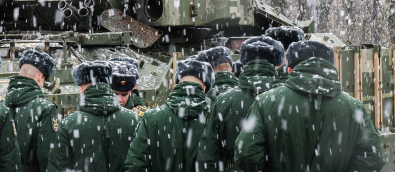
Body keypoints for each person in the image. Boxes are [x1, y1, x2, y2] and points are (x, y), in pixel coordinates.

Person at [234, 41, 386, 171]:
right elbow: (374, 157)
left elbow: (246, 154)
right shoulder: (354, 108)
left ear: (289, 70)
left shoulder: (265, 102)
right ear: (331, 67)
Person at [197, 36, 284, 172]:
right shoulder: (288, 99)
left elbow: (209, 156)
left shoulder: (223, 101)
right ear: (276, 65)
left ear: (243, 64)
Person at [47, 61, 138, 172]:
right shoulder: (134, 119)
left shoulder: (69, 124)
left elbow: (57, 168)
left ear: (81, 89)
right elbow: (142, 163)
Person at [125, 59, 214, 172]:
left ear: (176, 83)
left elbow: (135, 165)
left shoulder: (151, 118)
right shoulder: (215, 117)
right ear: (205, 88)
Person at [5, 49, 57, 172]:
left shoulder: (0, 107)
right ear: (40, 77)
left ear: (19, 75)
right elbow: (47, 156)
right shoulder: (45, 109)